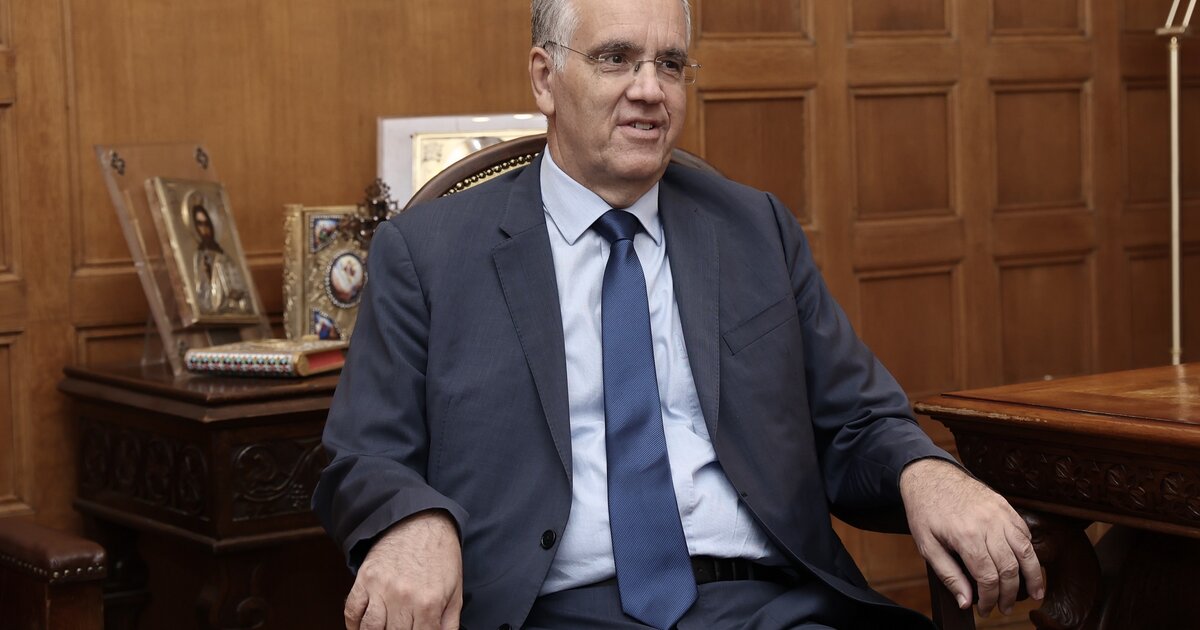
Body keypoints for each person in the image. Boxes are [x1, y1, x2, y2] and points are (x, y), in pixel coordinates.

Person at [313, 0, 1044, 628]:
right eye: (616, 59)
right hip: (557, 610)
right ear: (544, 78)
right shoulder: (431, 254)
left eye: (669, 64)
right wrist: (412, 519)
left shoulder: (756, 230)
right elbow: (364, 454)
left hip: (769, 605)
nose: (649, 90)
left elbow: (857, 420)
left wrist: (926, 472)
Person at [190, 202, 249, 315]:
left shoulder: (224, 256)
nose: (204, 229)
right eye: (200, 224)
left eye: (206, 224)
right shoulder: (199, 256)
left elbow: (237, 286)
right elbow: (200, 289)